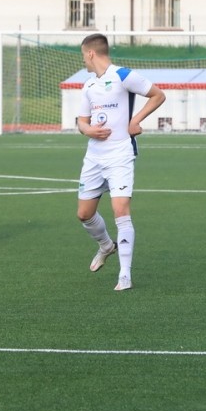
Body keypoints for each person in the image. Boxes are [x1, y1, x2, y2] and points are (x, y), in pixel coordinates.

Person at [75, 33, 166, 291]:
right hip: (94, 156)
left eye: (83, 55)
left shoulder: (122, 75)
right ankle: (106, 245)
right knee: (84, 214)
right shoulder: (88, 85)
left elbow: (158, 95)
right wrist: (88, 130)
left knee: (120, 210)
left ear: (91, 53)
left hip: (120, 154)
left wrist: (135, 121)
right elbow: (81, 121)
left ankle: (125, 275)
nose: (83, 60)